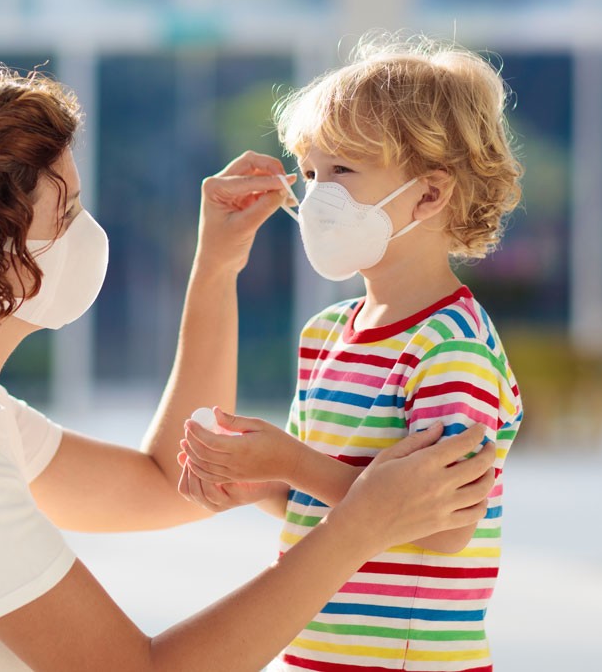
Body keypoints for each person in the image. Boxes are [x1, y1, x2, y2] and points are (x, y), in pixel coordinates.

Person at [0, 59, 497, 671]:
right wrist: (359, 524)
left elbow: (165, 483)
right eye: (66, 217)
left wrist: (216, 269)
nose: (91, 235)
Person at [177, 34, 524, 672]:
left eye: (342, 172)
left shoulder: (452, 350)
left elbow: (446, 525)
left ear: (428, 195)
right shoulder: (326, 333)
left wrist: (287, 458)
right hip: (314, 654)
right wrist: (258, 484)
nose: (316, 198)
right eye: (309, 174)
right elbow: (328, 500)